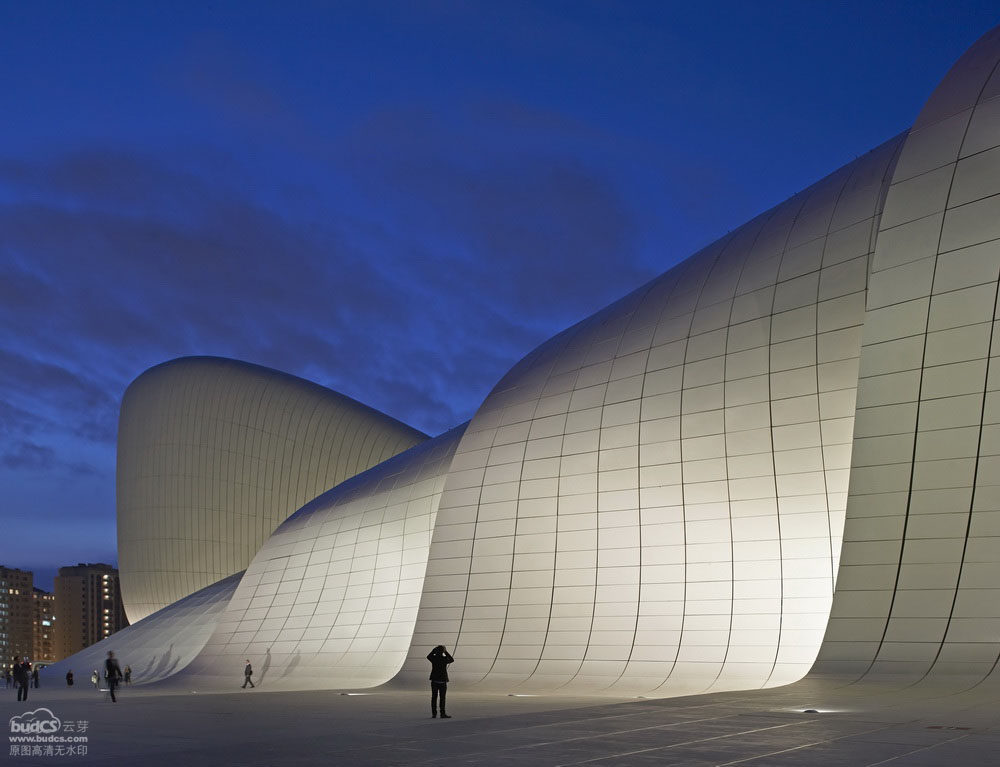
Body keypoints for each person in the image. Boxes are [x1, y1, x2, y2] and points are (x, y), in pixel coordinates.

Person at [426, 645, 454, 719]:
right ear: (443, 651)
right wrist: (446, 652)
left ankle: (434, 714)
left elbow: (428, 657)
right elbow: (452, 660)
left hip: (434, 681)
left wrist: (433, 651)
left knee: (434, 697)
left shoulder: (434, 658)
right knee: (442, 698)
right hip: (443, 681)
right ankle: (442, 713)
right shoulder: (444, 659)